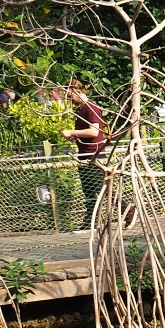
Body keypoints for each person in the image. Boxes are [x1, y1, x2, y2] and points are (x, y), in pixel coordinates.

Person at [61, 79, 106, 231]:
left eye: (70, 96)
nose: (69, 100)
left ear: (78, 92)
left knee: (100, 190)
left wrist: (72, 132)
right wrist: (77, 136)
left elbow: (94, 131)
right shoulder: (81, 109)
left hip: (94, 155)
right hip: (85, 154)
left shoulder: (91, 108)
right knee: (90, 191)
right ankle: (91, 222)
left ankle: (129, 210)